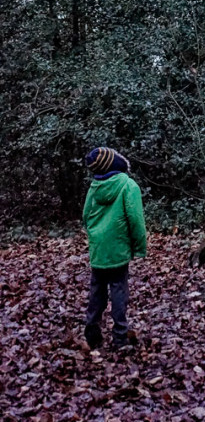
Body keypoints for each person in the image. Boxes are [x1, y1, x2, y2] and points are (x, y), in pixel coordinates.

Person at [82, 147, 147, 350]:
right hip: (118, 250)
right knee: (119, 292)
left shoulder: (94, 187)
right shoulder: (128, 186)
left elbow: (85, 217)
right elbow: (136, 221)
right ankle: (120, 338)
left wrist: (95, 236)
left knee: (97, 292)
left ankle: (92, 334)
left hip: (99, 250)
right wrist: (139, 247)